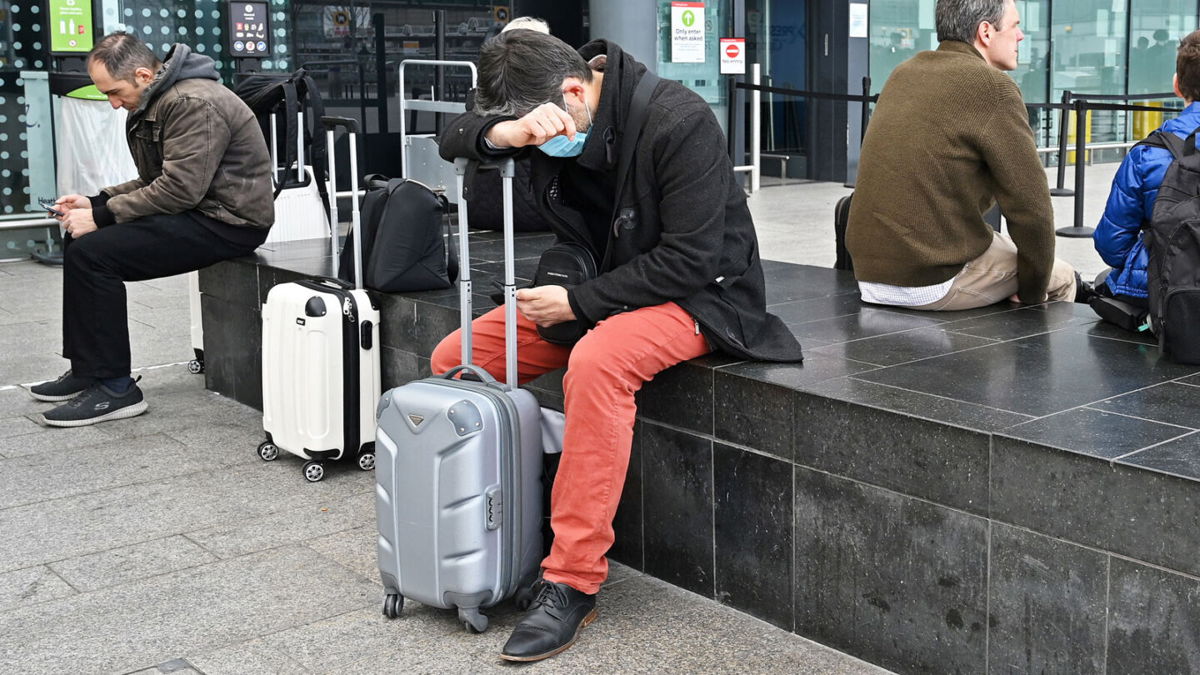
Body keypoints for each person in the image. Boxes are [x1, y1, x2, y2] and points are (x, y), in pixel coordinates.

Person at [434, 30, 802, 661]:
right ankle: (506, 534)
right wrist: (505, 137)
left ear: (576, 92)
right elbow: (455, 137)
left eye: (542, 130)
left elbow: (692, 258)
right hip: (597, 289)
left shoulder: (678, 121)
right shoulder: (549, 108)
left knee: (599, 363)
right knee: (458, 360)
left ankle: (572, 578)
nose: (545, 144)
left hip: (698, 297)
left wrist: (580, 305)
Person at [27, 32, 274, 426]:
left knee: (94, 255)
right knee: (78, 239)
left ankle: (116, 389)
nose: (112, 103)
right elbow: (155, 179)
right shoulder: (156, 99)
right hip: (199, 210)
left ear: (143, 74)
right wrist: (96, 202)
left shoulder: (194, 102)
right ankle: (90, 369)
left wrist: (104, 215)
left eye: (114, 92)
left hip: (229, 222)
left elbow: (179, 190)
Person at [847, 0, 1085, 311]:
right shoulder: (993, 88)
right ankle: (1025, 357)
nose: (1021, 36)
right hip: (930, 277)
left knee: (1003, 247)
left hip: (869, 273)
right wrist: (1030, 291)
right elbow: (1032, 208)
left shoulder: (903, 73)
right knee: (1061, 276)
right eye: (1014, 26)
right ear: (986, 31)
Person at [1094, 30, 1200, 314]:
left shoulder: (1149, 153)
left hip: (1170, 294)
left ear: (1177, 86)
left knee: (1106, 281)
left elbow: (1111, 246)